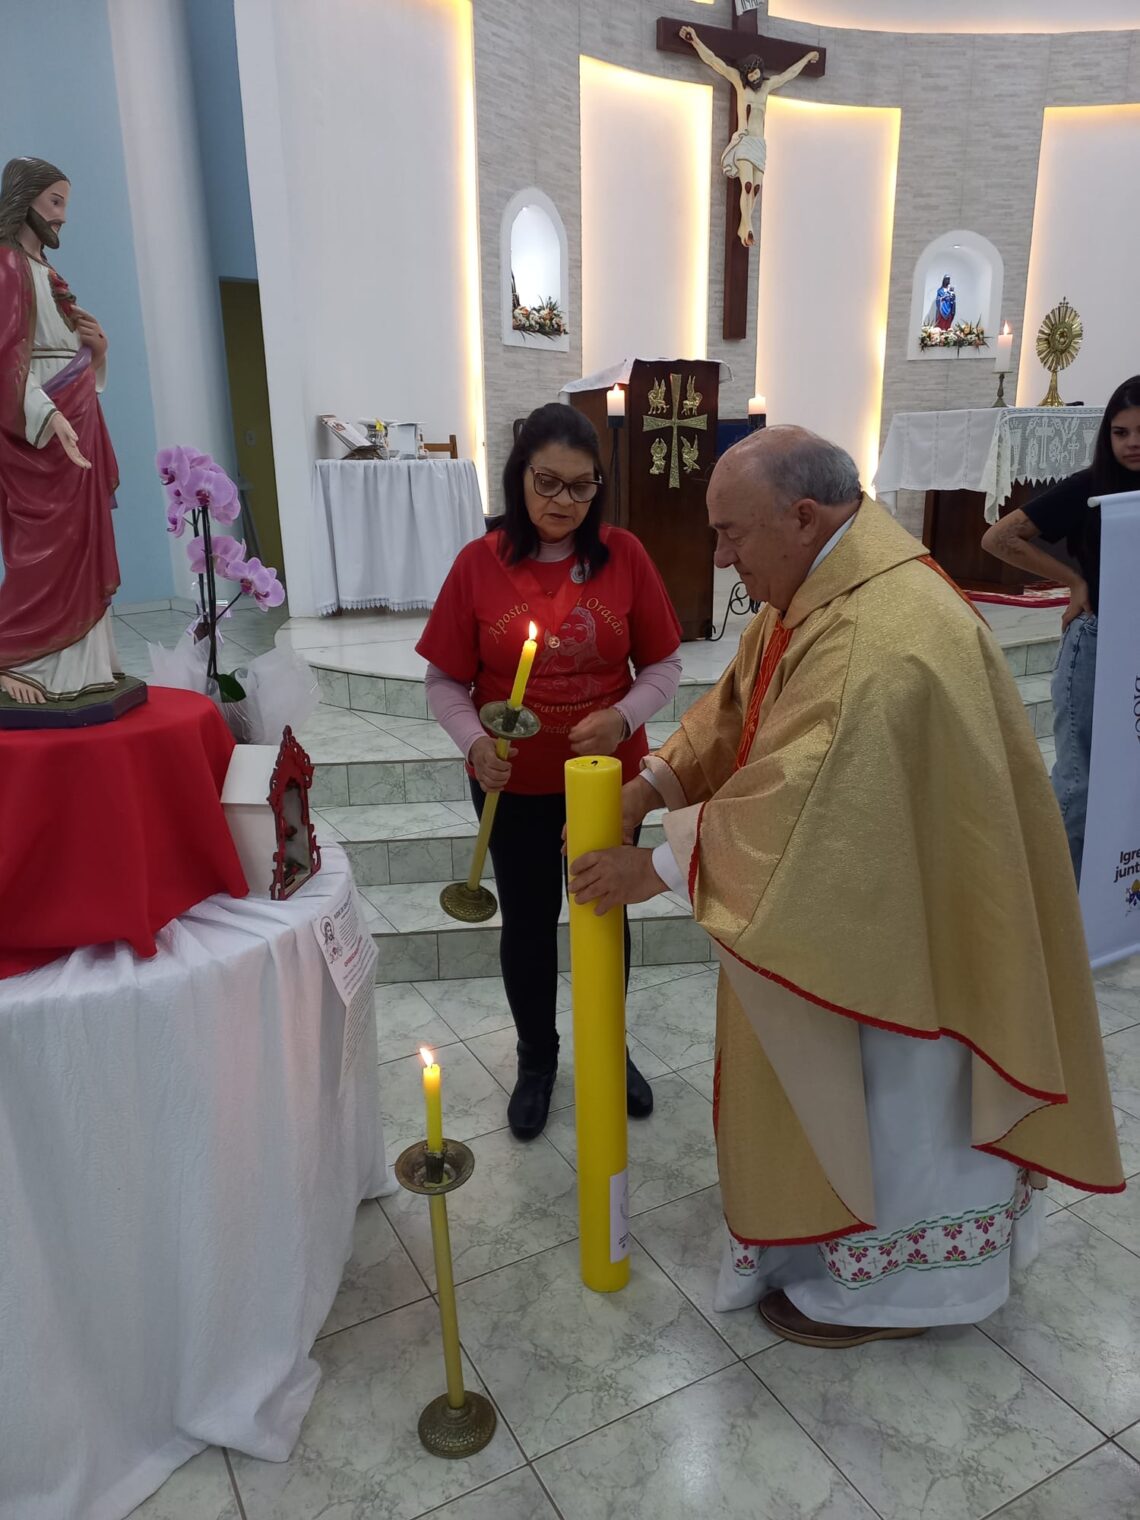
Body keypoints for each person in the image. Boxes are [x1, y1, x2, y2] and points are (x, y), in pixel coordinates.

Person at [569, 425, 1123, 1348]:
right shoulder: (828, 583)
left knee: (902, 1100)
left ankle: (899, 1296)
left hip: (910, 937)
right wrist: (652, 785)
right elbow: (745, 701)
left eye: (731, 533)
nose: (721, 557)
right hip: (888, 891)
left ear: (802, 515)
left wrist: (656, 865)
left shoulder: (878, 633)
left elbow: (804, 803)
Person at [417, 403, 683, 1139]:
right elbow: (444, 679)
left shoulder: (625, 556)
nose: (563, 501)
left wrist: (622, 716)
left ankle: (608, 1047)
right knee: (529, 924)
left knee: (604, 916)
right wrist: (474, 741)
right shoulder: (480, 563)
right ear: (519, 477)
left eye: (581, 486)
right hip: (514, 784)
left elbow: (664, 663)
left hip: (607, 785)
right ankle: (537, 1059)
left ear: (599, 486)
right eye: (547, 483)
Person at [981, 377, 1140, 885]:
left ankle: (1109, 897)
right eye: (1120, 432)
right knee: (1080, 784)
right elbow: (999, 538)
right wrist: (1073, 581)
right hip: (1096, 643)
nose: (1132, 443)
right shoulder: (1090, 486)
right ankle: (1056, 902)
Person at [0, 156, 120, 705]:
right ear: (24, 199)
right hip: (37, 425)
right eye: (55, 201)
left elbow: (61, 346)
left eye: (64, 203)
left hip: (74, 410)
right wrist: (47, 416)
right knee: (43, 544)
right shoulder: (7, 265)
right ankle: (14, 656)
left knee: (80, 539)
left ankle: (81, 666)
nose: (62, 216)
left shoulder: (44, 270)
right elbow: (5, 359)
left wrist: (98, 353)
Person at [678, 28, 818, 248]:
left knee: (756, 189)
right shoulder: (738, 82)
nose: (753, 76)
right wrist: (695, 40)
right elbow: (714, 61)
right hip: (745, 140)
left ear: (760, 70)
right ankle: (748, 226)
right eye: (750, 74)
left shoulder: (768, 86)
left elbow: (789, 74)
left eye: (755, 72)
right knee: (748, 185)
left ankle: (744, 226)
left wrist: (807, 58)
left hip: (759, 143)